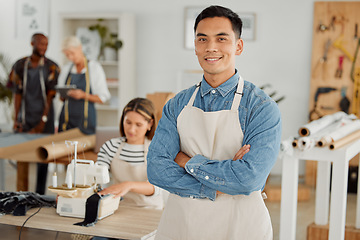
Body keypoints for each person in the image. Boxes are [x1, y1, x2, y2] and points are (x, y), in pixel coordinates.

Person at [147, 5, 282, 240]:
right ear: (196, 47)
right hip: (181, 226)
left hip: (240, 227)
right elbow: (157, 169)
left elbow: (250, 178)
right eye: (202, 39)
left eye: (221, 38)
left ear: (238, 46)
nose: (211, 47)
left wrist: (186, 161)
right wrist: (221, 181)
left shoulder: (261, 107)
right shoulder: (177, 104)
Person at [87, 98, 163, 240]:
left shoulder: (157, 149)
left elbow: (156, 188)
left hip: (149, 213)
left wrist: (128, 185)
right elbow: (96, 178)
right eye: (128, 122)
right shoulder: (110, 146)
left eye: (138, 124)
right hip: (118, 211)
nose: (131, 129)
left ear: (150, 124)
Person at [7, 33, 60, 195]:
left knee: (42, 159)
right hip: (25, 116)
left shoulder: (52, 67)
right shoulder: (20, 65)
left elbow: (50, 97)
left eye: (46, 44)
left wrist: (42, 121)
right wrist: (17, 119)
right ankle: (20, 195)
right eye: (41, 44)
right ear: (32, 43)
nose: (44, 47)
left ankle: (40, 195)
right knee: (22, 157)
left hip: (45, 118)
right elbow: (17, 94)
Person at [57, 36, 110, 135]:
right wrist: (64, 94)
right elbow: (61, 98)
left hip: (85, 123)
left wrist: (83, 95)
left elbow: (103, 98)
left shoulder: (94, 68)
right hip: (66, 122)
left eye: (72, 53)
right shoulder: (66, 69)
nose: (70, 58)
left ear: (80, 48)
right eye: (67, 55)